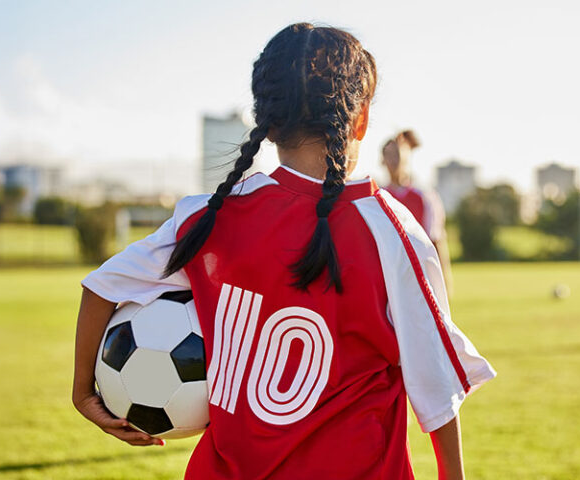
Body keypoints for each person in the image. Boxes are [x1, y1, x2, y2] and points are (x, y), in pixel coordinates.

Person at [72, 23, 495, 480]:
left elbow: (103, 286)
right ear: (362, 119)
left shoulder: (209, 217)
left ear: (268, 124)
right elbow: (435, 390)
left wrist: (82, 392)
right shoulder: (392, 231)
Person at [382, 131, 453, 292]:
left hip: (420, 282)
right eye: (389, 155)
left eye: (398, 155)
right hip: (387, 282)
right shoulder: (376, 199)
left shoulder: (425, 197)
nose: (393, 161)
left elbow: (436, 242)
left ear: (407, 157)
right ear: (382, 160)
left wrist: (444, 284)